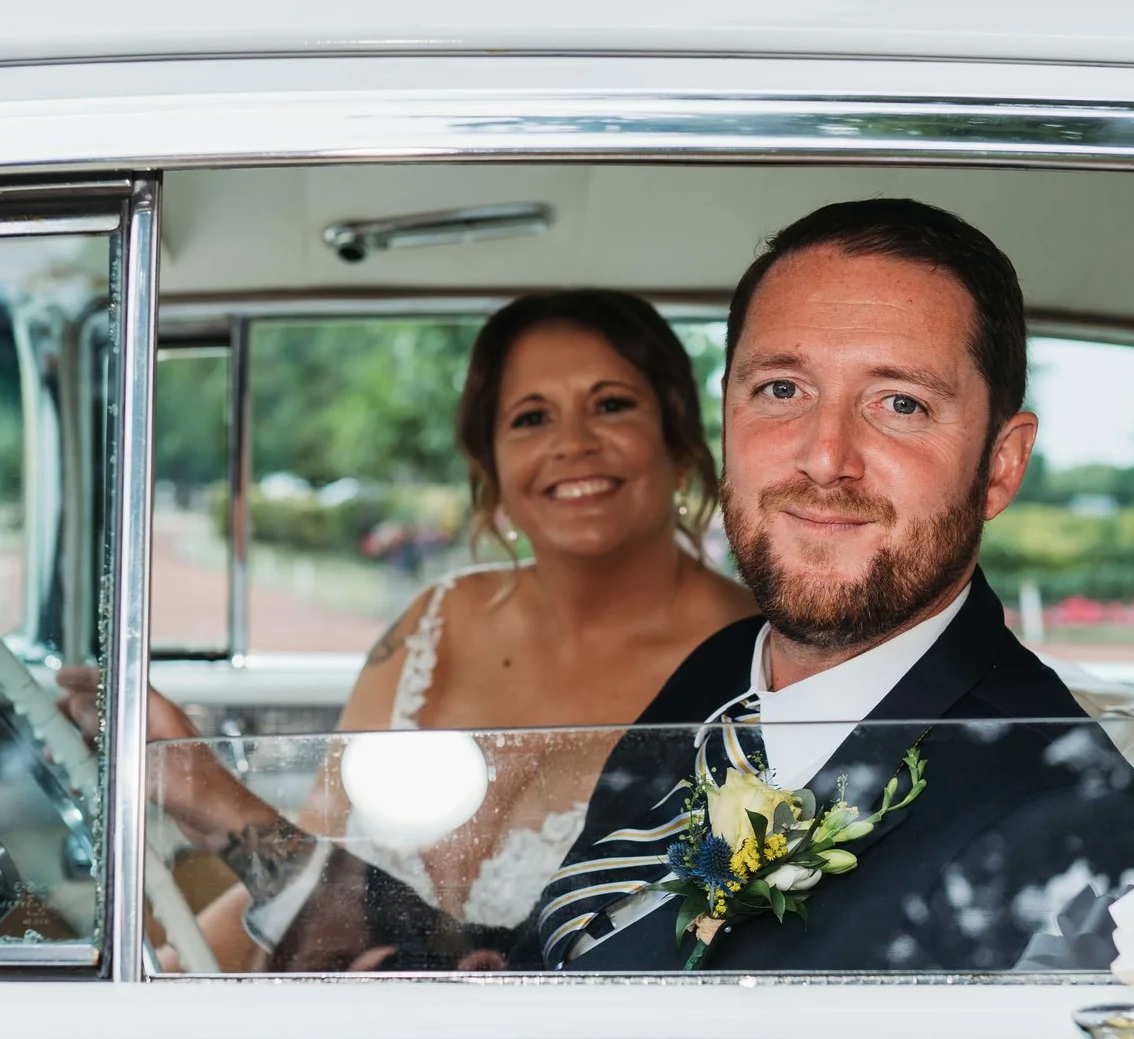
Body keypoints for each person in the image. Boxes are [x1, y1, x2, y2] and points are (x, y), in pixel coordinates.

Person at [160, 198, 1134, 972]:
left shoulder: (1061, 814)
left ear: (1000, 464)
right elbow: (570, 958)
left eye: (899, 404)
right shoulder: (718, 681)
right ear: (729, 413)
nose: (826, 457)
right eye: (782, 390)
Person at [71, 290, 753, 969]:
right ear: (491, 464)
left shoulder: (754, 661)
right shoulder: (436, 620)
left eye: (612, 405)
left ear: (679, 433)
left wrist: (212, 796)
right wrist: (168, 968)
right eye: (531, 417)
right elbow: (310, 856)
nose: (572, 443)